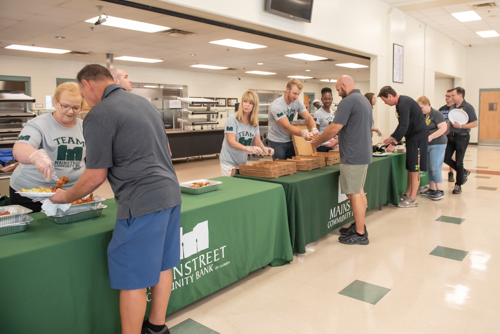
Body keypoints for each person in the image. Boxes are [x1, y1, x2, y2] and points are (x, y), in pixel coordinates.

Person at [51, 64, 181, 334]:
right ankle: (157, 328)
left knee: (132, 278)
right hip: (170, 194)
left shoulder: (99, 114)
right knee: (162, 264)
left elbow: (95, 176)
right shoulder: (143, 104)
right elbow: (167, 150)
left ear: (87, 84)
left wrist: (65, 196)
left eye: (84, 97)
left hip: (141, 202)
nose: (85, 102)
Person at [312, 75, 372, 245]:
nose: (338, 93)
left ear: (344, 85)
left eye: (338, 89)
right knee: (358, 190)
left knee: (353, 193)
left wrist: (316, 142)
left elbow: (334, 128)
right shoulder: (364, 101)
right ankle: (360, 225)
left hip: (353, 154)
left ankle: (360, 234)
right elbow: (357, 127)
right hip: (363, 152)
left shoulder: (348, 101)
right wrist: (338, 140)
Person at [10, 82, 86, 212]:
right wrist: (36, 156)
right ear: (55, 102)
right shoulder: (38, 124)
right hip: (32, 193)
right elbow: (20, 148)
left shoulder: (86, 127)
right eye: (65, 106)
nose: (70, 112)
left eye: (76, 108)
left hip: (70, 193)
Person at [378, 86, 429, 208]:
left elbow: (404, 126)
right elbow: (401, 125)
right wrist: (392, 137)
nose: (385, 103)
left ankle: (412, 199)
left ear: (390, 96)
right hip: (412, 138)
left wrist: (394, 143)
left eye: (385, 100)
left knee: (414, 169)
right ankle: (408, 193)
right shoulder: (401, 103)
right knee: (410, 167)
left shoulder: (403, 104)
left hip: (418, 138)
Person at [219, 90, 273, 176]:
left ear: (254, 106)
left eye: (251, 103)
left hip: (242, 161)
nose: (247, 105)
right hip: (228, 161)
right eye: (245, 101)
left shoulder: (254, 122)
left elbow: (258, 141)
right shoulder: (232, 119)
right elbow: (231, 142)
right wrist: (248, 149)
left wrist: (264, 149)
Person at [268, 79, 318, 160]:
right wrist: (303, 133)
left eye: (298, 94)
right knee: (280, 167)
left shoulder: (297, 102)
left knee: (292, 165)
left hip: (290, 139)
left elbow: (309, 117)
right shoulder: (277, 105)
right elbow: (287, 126)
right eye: (294, 93)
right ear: (287, 89)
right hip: (277, 141)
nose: (296, 97)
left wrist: (314, 128)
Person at [444, 87, 478, 194]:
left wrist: (461, 126)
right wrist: (443, 133)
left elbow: (475, 123)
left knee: (459, 161)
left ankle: (458, 185)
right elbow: (449, 123)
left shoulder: (468, 107)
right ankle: (463, 172)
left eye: (453, 95)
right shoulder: (452, 107)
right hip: (451, 136)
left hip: (462, 137)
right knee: (445, 158)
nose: (451, 97)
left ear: (460, 95)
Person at [416, 96, 447, 201]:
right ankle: (432, 188)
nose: (420, 110)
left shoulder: (436, 114)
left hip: (437, 143)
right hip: (427, 144)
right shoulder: (424, 116)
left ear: (427, 104)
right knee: (429, 167)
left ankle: (440, 190)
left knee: (435, 166)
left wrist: (432, 136)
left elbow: (443, 128)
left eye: (421, 107)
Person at [313, 87, 338, 152]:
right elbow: (316, 130)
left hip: (331, 143)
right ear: (321, 99)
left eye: (329, 99)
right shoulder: (318, 113)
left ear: (332, 99)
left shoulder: (332, 112)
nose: (327, 101)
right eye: (325, 99)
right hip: (322, 145)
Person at [439, 89, 456, 182]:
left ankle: (451, 173)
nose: (447, 98)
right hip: (442, 134)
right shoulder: (442, 109)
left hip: (451, 135)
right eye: (446, 96)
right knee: (441, 155)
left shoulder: (455, 109)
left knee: (451, 155)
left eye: (449, 96)